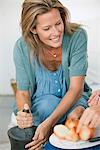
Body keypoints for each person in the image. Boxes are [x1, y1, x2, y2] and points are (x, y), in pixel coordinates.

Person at [11, 0, 92, 149]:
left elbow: (76, 89)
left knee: (77, 116)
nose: (56, 32)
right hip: (42, 104)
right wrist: (24, 114)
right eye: (47, 28)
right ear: (34, 29)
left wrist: (49, 123)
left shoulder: (77, 36)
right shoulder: (22, 47)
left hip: (74, 97)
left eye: (58, 23)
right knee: (47, 106)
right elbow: (23, 92)